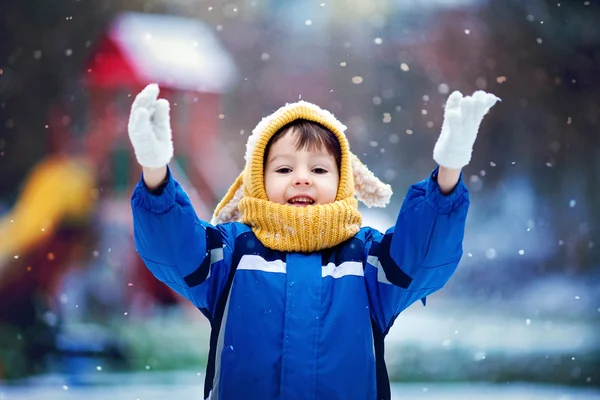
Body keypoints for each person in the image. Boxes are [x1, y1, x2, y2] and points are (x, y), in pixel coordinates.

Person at [128, 84, 499, 400]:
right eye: (285, 168)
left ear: (343, 182)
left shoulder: (367, 259)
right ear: (257, 180)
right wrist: (156, 173)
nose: (302, 179)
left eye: (319, 169)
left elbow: (422, 259)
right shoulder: (232, 253)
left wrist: (448, 173)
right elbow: (173, 250)